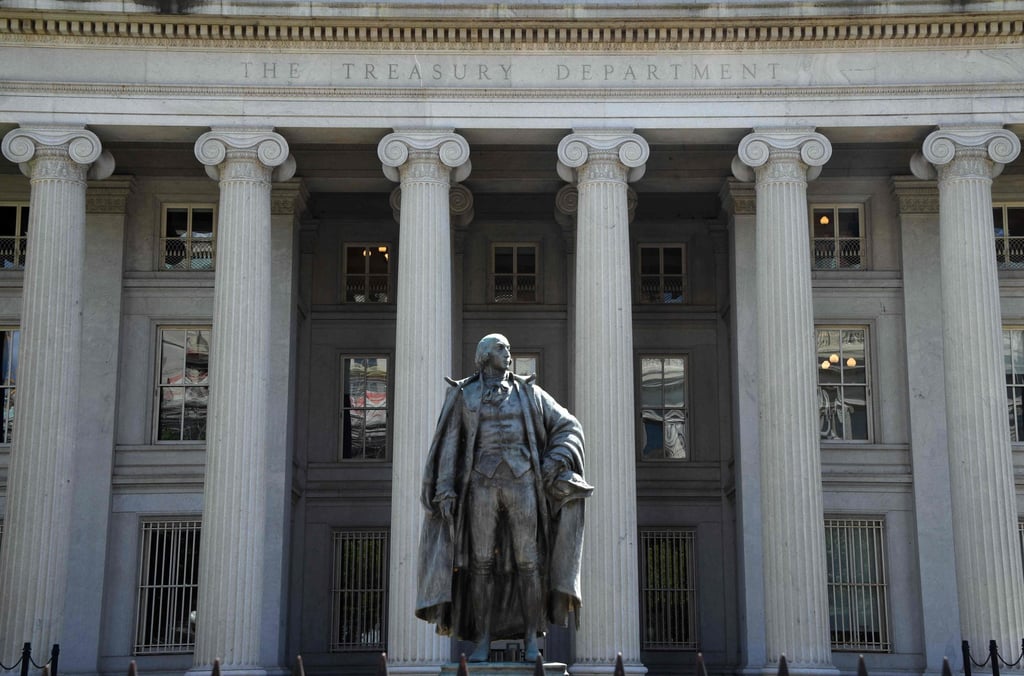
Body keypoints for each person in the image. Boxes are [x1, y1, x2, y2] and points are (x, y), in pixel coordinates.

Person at [416, 333, 592, 662]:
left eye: (508, 348)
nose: (508, 353)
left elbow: (569, 425)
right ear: (484, 356)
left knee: (529, 563)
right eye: (501, 348)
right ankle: (482, 640)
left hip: (523, 483)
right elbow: (451, 442)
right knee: (480, 564)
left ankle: (530, 640)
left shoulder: (530, 393)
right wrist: (445, 488)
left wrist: (554, 460)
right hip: (480, 485)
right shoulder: (464, 394)